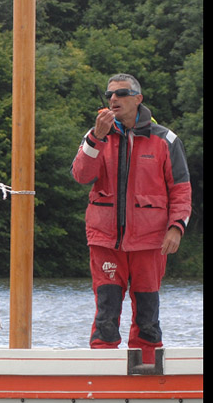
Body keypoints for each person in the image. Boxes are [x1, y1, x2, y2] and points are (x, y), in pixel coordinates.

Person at [71, 73, 192, 364]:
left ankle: (148, 368)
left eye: (122, 93)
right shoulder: (96, 136)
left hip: (150, 242)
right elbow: (80, 175)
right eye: (110, 93)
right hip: (105, 241)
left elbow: (181, 190)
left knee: (147, 313)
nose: (114, 98)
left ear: (138, 99)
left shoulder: (166, 139)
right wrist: (96, 139)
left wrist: (176, 227)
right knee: (106, 310)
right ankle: (102, 370)